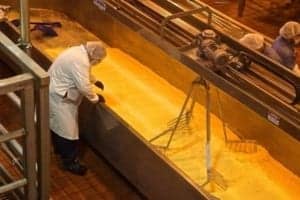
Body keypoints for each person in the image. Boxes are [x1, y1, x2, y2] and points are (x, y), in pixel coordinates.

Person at [48, 41, 107, 175]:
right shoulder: (81, 60)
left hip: (57, 93)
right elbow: (83, 86)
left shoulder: (78, 52)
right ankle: (70, 162)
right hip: (60, 97)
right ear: (93, 55)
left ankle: (60, 151)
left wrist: (94, 80)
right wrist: (95, 98)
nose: (97, 62)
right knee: (68, 132)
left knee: (59, 127)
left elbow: (83, 73)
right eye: (98, 60)